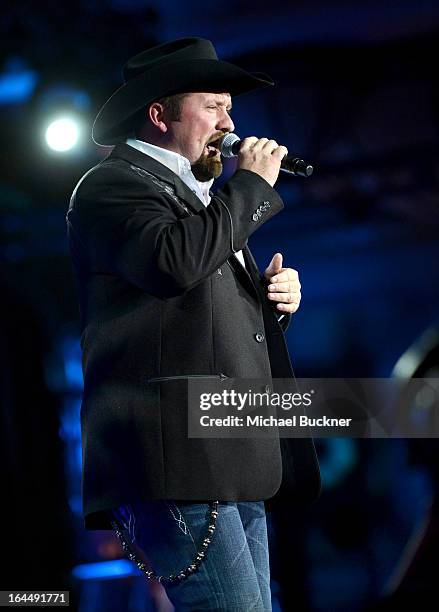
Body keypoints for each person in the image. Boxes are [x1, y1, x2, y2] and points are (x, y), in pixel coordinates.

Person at [67, 37, 320, 611]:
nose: (230, 123)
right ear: (160, 115)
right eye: (214, 106)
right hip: (175, 460)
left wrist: (269, 303)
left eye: (230, 107)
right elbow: (171, 264)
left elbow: (190, 316)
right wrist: (252, 186)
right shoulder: (113, 186)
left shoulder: (200, 199)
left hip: (228, 453)